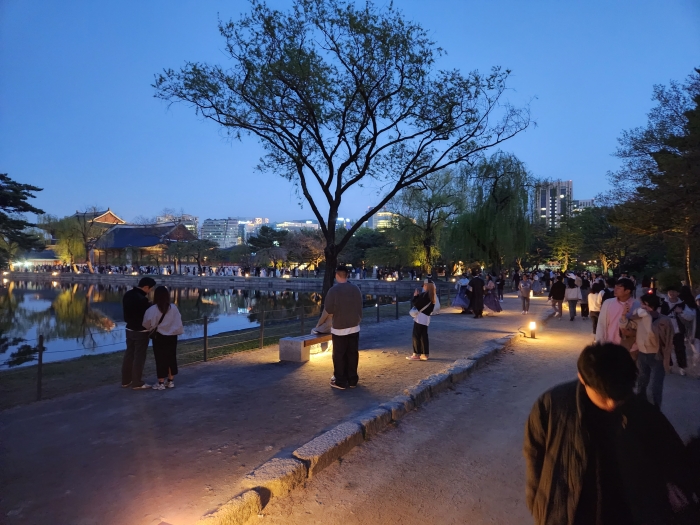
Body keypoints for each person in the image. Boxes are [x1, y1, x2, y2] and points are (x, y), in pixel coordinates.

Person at [524, 343, 698, 525]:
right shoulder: (552, 406)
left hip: (623, 512)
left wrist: (671, 485)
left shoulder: (644, 413)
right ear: (582, 379)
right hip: (568, 512)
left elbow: (673, 457)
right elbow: (534, 454)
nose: (611, 403)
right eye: (602, 396)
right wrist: (539, 502)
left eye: (618, 396)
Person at [621, 293, 674, 407]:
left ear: (649, 305)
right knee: (641, 384)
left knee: (655, 387)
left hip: (657, 356)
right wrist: (625, 315)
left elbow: (668, 340)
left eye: (642, 304)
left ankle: (655, 412)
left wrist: (667, 358)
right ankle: (642, 409)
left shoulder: (664, 321)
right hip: (642, 355)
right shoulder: (639, 319)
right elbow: (626, 326)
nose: (640, 307)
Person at [324, 265, 363, 390]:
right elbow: (360, 305)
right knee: (352, 353)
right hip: (354, 326)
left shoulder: (333, 290)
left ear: (336, 275)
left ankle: (340, 380)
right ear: (347, 275)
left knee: (339, 355)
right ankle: (352, 379)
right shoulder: (355, 289)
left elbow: (329, 308)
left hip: (339, 327)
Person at [143, 286, 184, 390]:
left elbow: (146, 323)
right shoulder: (173, 308)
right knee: (171, 357)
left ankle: (161, 382)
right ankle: (170, 381)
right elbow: (178, 322)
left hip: (159, 336)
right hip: (172, 336)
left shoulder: (152, 309)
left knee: (160, 358)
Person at [121, 277, 156, 390]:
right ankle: (137, 382)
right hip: (141, 331)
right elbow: (146, 317)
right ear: (146, 287)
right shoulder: (142, 300)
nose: (150, 291)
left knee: (129, 354)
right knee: (139, 357)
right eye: (150, 289)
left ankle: (126, 380)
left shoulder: (128, 294)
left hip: (129, 329)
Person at [660, 286, 694, 376]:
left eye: (674, 291)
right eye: (670, 291)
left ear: (678, 293)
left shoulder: (682, 304)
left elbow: (691, 316)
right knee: (666, 349)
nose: (672, 293)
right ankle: (669, 365)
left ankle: (682, 367)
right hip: (666, 331)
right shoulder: (663, 303)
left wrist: (681, 312)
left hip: (678, 330)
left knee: (680, 349)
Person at [595, 278, 639, 347]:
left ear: (627, 291)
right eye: (615, 287)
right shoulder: (608, 303)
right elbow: (601, 324)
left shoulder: (637, 305)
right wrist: (599, 342)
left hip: (630, 346)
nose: (615, 290)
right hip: (610, 343)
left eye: (618, 288)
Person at [407, 280, 436, 361]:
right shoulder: (432, 296)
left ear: (427, 286)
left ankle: (416, 354)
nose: (423, 287)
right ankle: (424, 354)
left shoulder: (425, 295)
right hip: (426, 318)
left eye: (424, 285)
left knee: (416, 335)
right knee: (423, 336)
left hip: (420, 318)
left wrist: (415, 296)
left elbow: (416, 304)